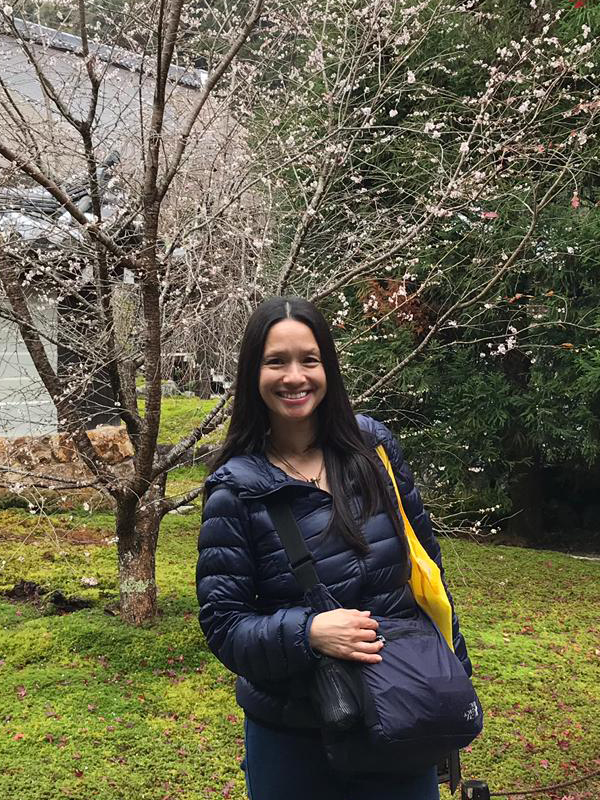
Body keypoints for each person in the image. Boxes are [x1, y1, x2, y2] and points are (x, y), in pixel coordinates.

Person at [196, 296, 472, 800]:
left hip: (401, 712)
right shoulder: (234, 490)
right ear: (253, 373)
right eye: (276, 361)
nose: (294, 377)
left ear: (328, 367)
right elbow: (224, 625)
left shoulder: (374, 449)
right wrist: (309, 632)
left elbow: (425, 568)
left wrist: (450, 680)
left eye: (309, 359)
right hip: (294, 738)